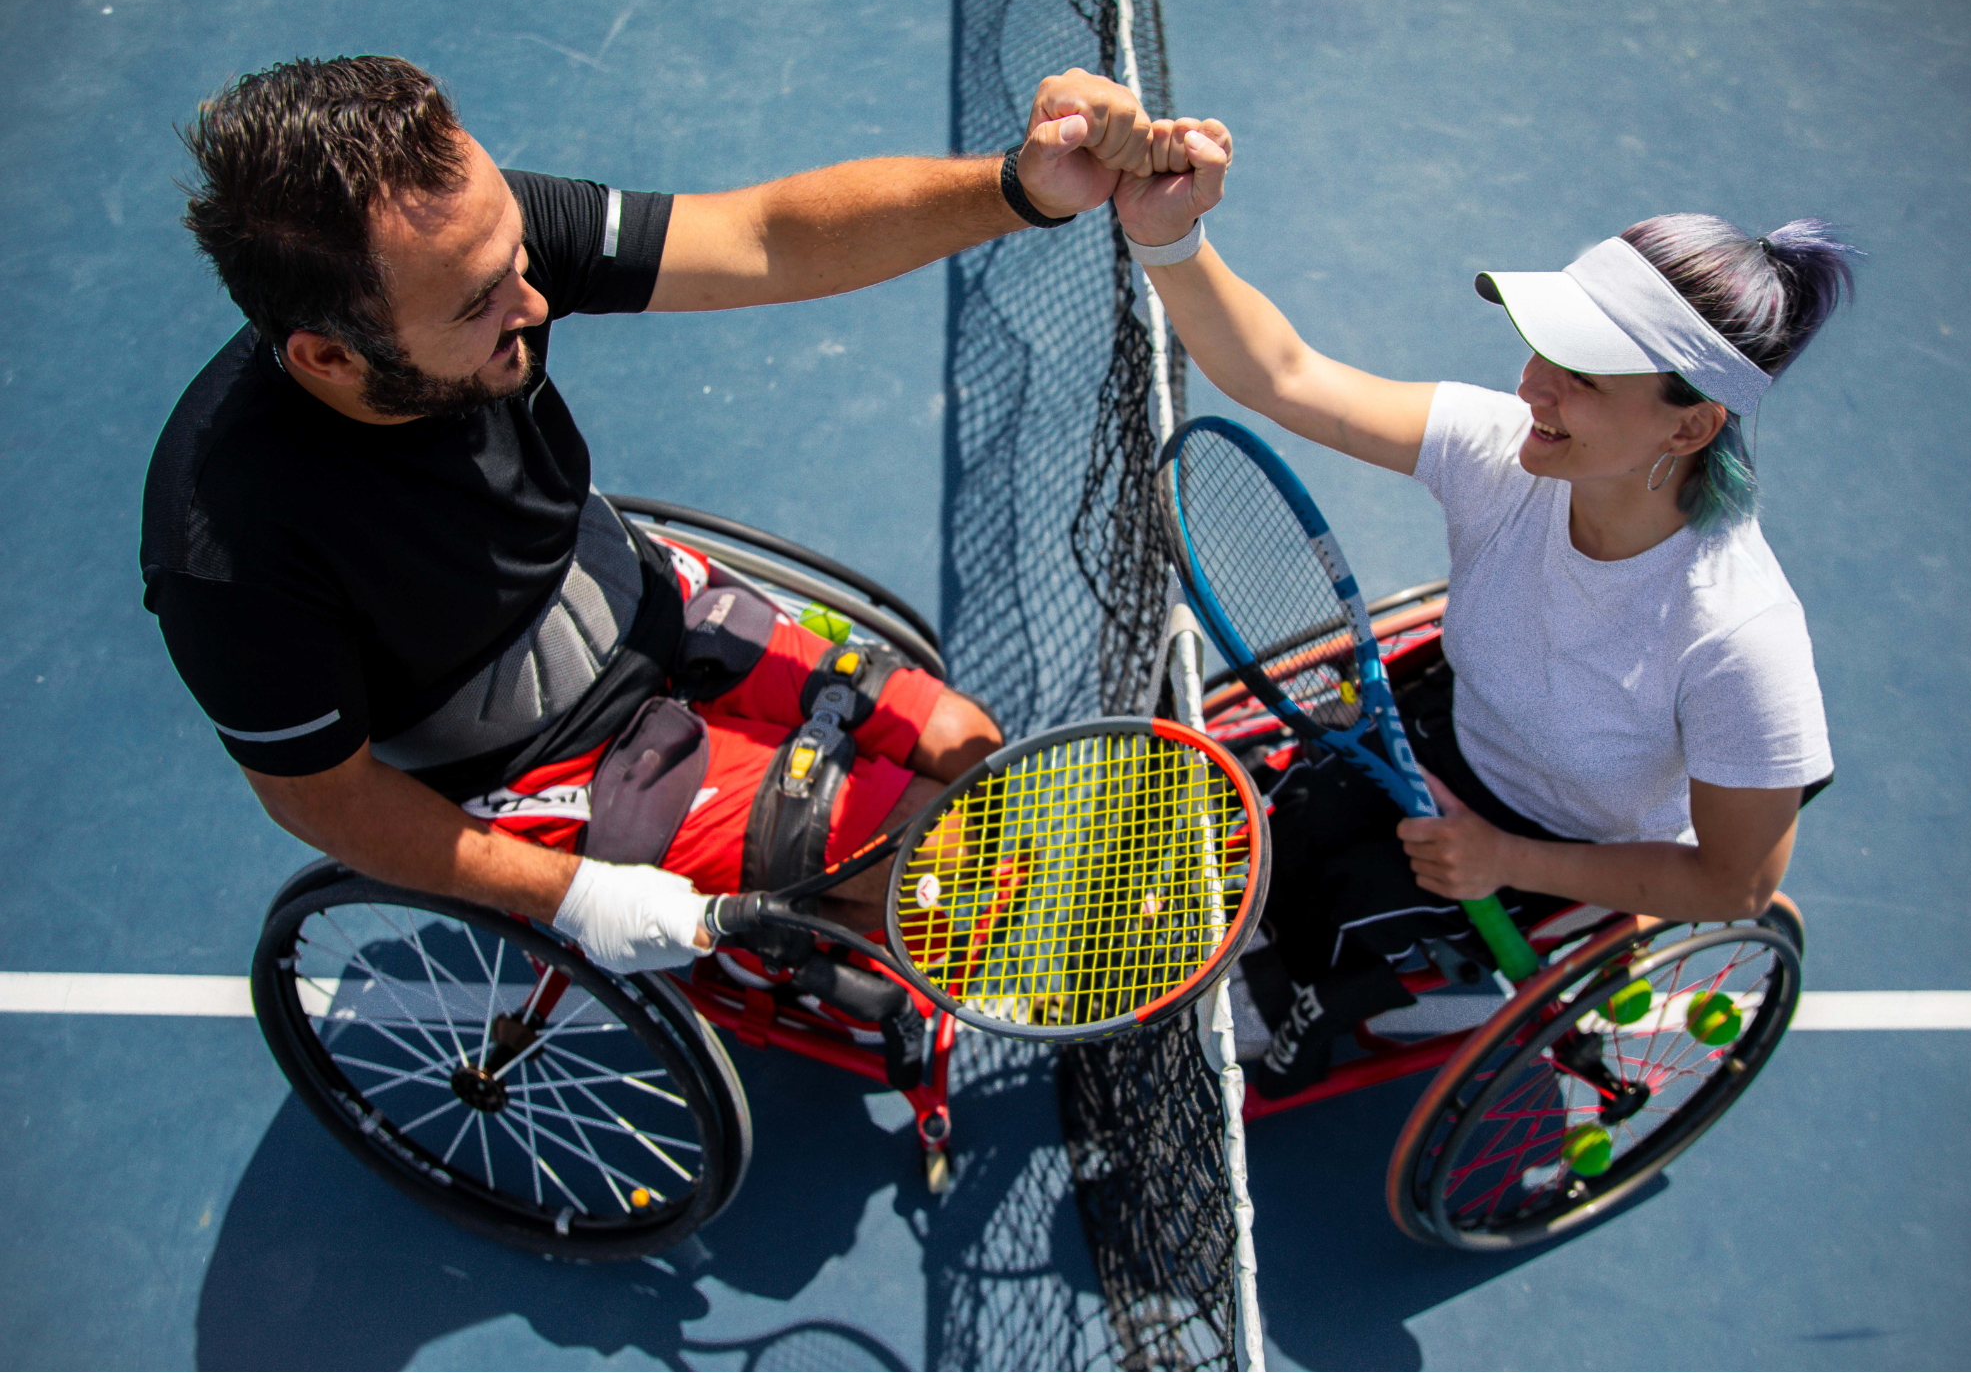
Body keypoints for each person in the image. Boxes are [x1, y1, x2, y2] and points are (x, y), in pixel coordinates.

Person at [142, 57, 1205, 1080]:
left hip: (638, 597)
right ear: (326, 357)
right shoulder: (227, 549)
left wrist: (1017, 190)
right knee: (936, 863)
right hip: (531, 754)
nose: (534, 301)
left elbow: (761, 237)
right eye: (478, 305)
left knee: (962, 741)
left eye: (516, 256)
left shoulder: (472, 242)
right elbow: (327, 804)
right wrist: (572, 897)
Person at [1112, 117, 1853, 1096]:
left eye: (1578, 378)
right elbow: (1281, 375)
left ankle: (1444, 993)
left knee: (1321, 936)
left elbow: (1734, 885)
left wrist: (1502, 857)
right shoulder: (1503, 450)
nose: (1528, 385)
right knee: (1273, 832)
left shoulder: (1735, 641)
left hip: (1560, 850)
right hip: (1445, 736)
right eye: (1539, 348)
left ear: (1692, 422)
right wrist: (1165, 238)